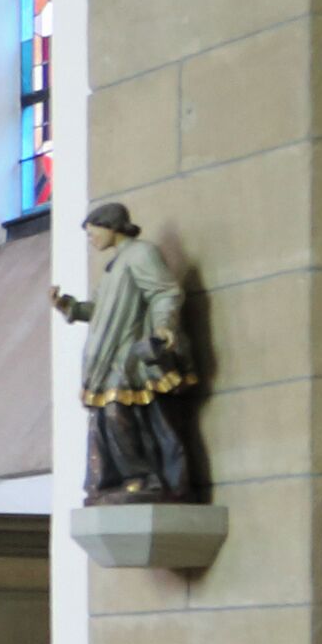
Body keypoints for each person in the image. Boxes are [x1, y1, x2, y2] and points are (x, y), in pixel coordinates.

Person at [52, 201, 199, 501]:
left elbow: (164, 292)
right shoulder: (114, 264)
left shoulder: (141, 254)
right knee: (108, 418)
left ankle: (145, 476)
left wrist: (163, 328)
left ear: (111, 227)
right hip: (107, 353)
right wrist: (69, 306)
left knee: (120, 412)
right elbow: (99, 309)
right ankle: (124, 478)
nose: (91, 239)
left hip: (129, 350)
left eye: (94, 233)